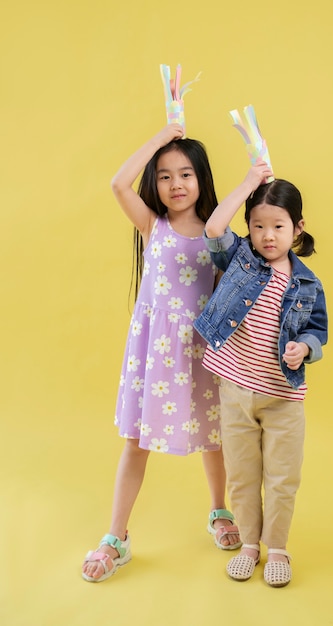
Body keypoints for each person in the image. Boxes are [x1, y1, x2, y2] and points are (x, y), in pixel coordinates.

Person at [82, 124, 241, 583]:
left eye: (185, 174)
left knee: (216, 439)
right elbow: (117, 183)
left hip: (205, 352)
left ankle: (219, 510)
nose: (176, 185)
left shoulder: (218, 233)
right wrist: (162, 136)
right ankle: (116, 537)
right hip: (155, 356)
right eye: (165, 175)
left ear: (201, 179)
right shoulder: (153, 225)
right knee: (135, 442)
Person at [194, 160, 328, 587]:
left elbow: (318, 331)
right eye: (257, 226)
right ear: (249, 229)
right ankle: (250, 544)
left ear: (298, 228)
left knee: (283, 478)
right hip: (235, 393)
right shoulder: (241, 261)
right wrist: (250, 183)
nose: (267, 236)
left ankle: (278, 548)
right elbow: (214, 229)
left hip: (283, 400)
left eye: (278, 226)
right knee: (244, 476)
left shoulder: (307, 285)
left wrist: (304, 347)